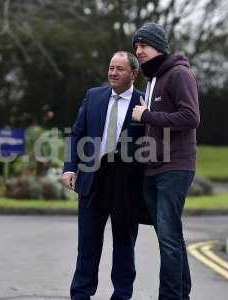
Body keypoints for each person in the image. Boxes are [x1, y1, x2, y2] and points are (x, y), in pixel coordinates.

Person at [62, 51, 148, 300]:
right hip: (92, 182)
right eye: (111, 68)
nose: (112, 73)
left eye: (119, 69)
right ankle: (80, 294)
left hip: (126, 185)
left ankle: (121, 295)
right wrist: (70, 167)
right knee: (87, 245)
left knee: (124, 245)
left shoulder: (144, 103)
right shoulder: (94, 96)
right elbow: (77, 134)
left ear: (133, 73)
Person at [131, 23, 200, 299]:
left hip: (175, 167)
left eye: (143, 46)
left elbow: (190, 117)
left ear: (158, 46)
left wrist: (146, 116)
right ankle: (180, 294)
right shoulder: (152, 80)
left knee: (169, 238)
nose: (139, 51)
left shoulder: (179, 74)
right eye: (136, 47)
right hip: (153, 167)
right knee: (169, 237)